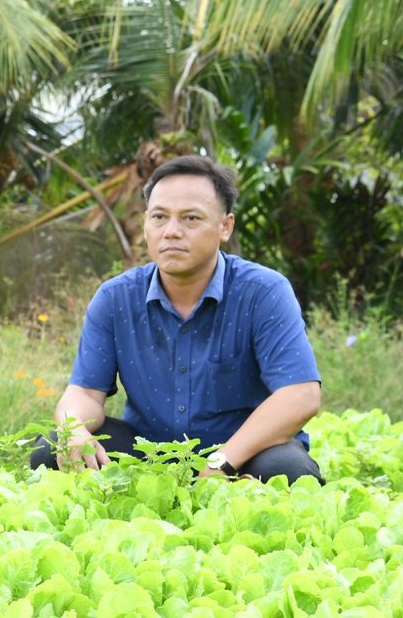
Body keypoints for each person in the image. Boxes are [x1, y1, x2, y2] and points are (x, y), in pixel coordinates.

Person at [32, 154, 323, 482]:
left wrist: (221, 463)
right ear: (145, 223)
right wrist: (73, 429)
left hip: (241, 454)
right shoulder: (115, 299)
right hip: (146, 452)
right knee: (53, 448)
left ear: (225, 226)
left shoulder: (263, 292)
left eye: (191, 218)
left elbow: (300, 394)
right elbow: (84, 394)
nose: (171, 232)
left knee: (288, 471)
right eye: (159, 217)